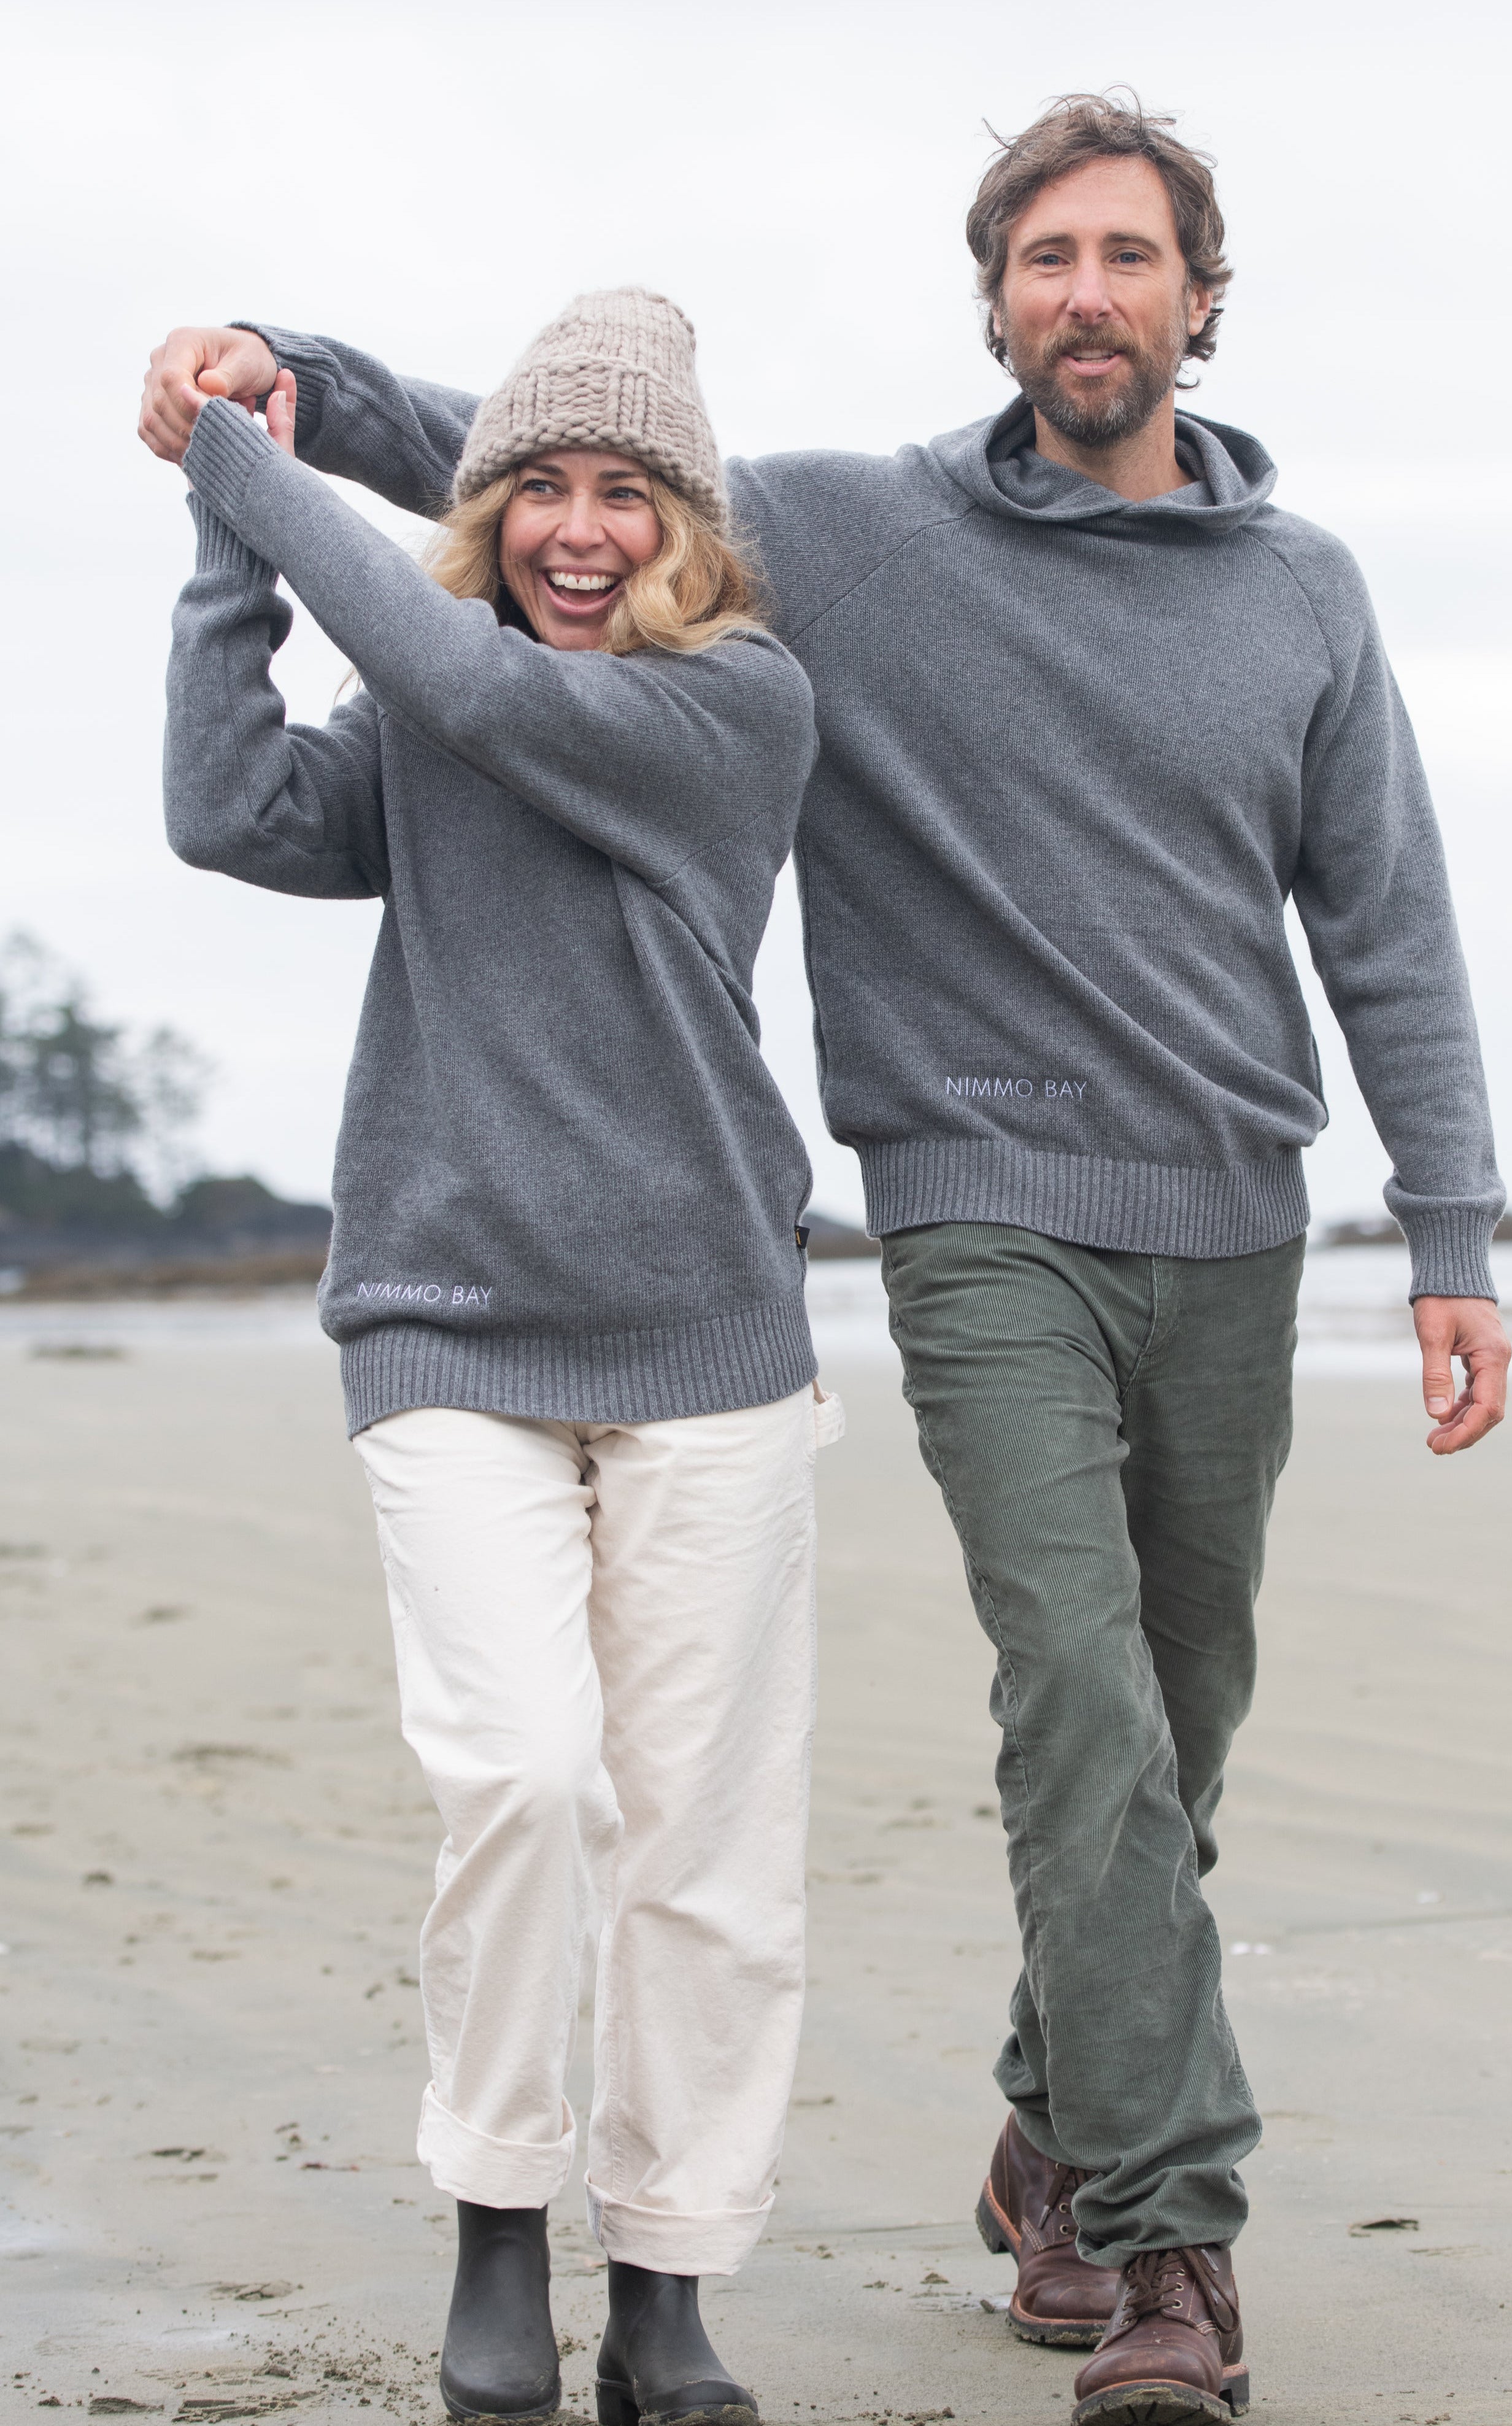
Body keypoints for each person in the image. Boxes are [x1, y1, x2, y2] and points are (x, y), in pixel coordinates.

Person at [142, 91, 1511, 2426]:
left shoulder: (1304, 593)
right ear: (994, 299)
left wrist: (1450, 1229)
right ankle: (1170, 2250)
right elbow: (547, 471)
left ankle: (1053, 2122)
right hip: (970, 1209)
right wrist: (285, 374)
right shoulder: (843, 548)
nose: (1088, 293)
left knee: (1170, 1737)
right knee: (1075, 1707)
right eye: (1046, 258)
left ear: (1196, 292)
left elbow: (1380, 911)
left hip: (1235, 1215)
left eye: (1129, 255)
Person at [155, 288, 836, 2426]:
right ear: (486, 499)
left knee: (703, 1853)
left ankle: (666, 2282)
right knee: (524, 1779)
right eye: (535, 481)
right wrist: (224, 539)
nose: (574, 525)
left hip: (709, 1338)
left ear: (690, 527)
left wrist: (239, 447)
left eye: (625, 488)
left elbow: (449, 661)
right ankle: (495, 2219)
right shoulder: (439, 728)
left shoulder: (742, 704)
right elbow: (230, 812)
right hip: (446, 1323)